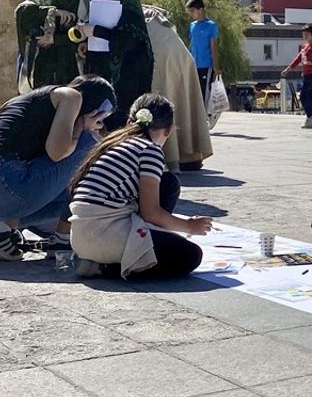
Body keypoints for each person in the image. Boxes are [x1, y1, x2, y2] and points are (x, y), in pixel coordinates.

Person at [0, 75, 115, 261]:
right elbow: (57, 152)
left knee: (68, 195)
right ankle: (62, 241)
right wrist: (81, 127)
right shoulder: (71, 97)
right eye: (100, 117)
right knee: (89, 143)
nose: (100, 124)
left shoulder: (32, 101)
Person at [69, 94, 210, 280]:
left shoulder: (112, 144)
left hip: (80, 238)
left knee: (167, 183)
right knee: (190, 255)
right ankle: (107, 267)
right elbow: (151, 213)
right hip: (107, 236)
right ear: (168, 131)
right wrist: (189, 226)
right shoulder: (150, 150)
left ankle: (103, 260)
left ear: (129, 121)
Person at [75, 0, 154, 133]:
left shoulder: (129, 4)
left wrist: (95, 31)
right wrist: (89, 44)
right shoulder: (110, 1)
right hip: (114, 79)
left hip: (128, 78)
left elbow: (126, 39)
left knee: (121, 128)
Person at [142, 5, 213, 171]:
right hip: (182, 59)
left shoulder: (131, 14)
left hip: (160, 58)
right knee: (181, 101)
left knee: (159, 102)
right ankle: (189, 154)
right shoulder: (155, 17)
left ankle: (170, 156)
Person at [15, 0, 92, 90]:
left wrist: (55, 39)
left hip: (73, 69)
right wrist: (53, 12)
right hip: (44, 69)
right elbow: (22, 12)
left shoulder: (87, 3)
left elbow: (89, 39)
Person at [281, 25, 312, 129]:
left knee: (303, 95)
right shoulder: (304, 46)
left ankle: (311, 117)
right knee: (308, 96)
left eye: (307, 34)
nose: (305, 36)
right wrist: (288, 69)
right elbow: (298, 59)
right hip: (305, 74)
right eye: (304, 34)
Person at [187, 0, 218, 99]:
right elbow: (192, 44)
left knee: (205, 91)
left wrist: (216, 66)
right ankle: (197, 113)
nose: (191, 14)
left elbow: (213, 46)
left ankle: (205, 113)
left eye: (192, 11)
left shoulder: (211, 26)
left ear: (200, 10)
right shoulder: (192, 26)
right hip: (194, 65)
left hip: (206, 65)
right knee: (195, 91)